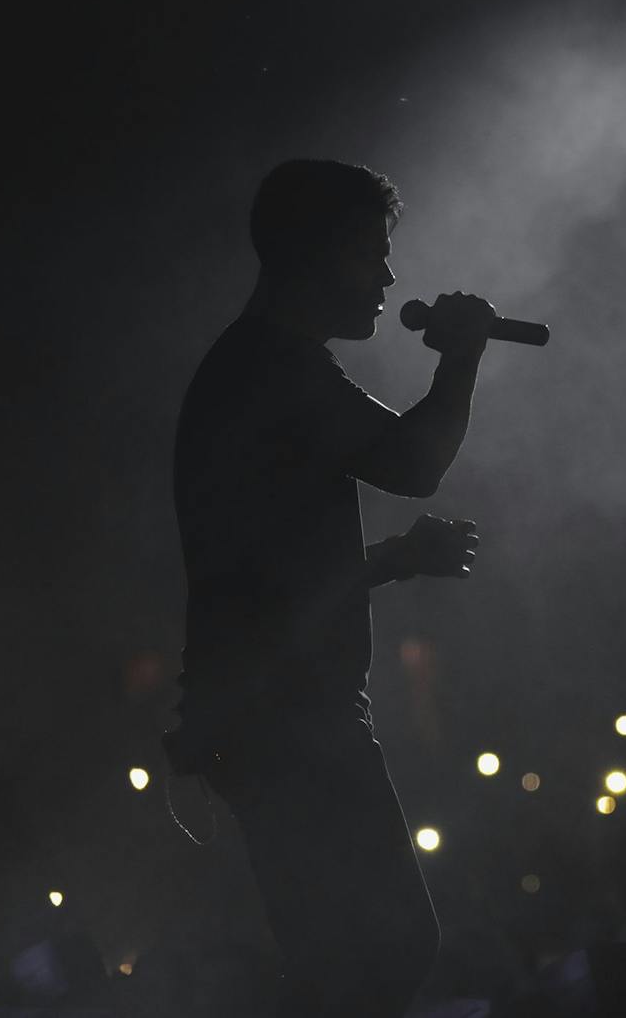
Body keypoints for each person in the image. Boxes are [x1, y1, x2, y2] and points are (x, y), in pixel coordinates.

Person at [161, 159, 498, 1016]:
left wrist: (392, 559)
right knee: (385, 948)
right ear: (312, 252)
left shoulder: (260, 367)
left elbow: (273, 578)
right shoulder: (272, 370)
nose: (386, 277)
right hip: (287, 714)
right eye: (369, 253)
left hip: (270, 709)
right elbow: (413, 464)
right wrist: (462, 355)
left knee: (347, 959)